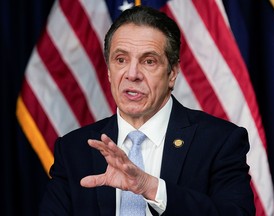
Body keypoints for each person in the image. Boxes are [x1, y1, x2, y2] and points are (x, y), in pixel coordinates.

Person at [39, 5, 255, 216]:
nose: (132, 74)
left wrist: (151, 187)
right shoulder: (73, 150)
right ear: (108, 71)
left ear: (172, 73)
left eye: (149, 61)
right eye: (121, 60)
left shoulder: (220, 141)